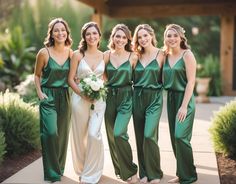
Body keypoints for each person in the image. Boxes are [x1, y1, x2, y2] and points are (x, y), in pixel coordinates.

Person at [34, 17, 73, 182]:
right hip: (48, 96)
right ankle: (51, 173)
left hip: (65, 96)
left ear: (67, 33)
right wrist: (39, 93)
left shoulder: (71, 53)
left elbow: (74, 76)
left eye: (63, 30)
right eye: (56, 30)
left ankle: (59, 169)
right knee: (50, 133)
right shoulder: (44, 52)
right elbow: (36, 75)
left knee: (62, 135)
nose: (60, 33)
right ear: (51, 33)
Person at [68, 22, 105, 184]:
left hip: (99, 100)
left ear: (99, 36)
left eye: (94, 34)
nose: (91, 37)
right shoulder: (77, 55)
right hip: (79, 99)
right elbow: (70, 79)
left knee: (93, 134)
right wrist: (82, 94)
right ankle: (82, 169)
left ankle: (93, 171)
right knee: (79, 135)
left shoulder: (105, 56)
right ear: (84, 37)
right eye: (88, 34)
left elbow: (107, 77)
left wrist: (100, 88)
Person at [162, 24, 198, 184]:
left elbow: (191, 82)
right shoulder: (165, 56)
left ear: (181, 38)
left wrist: (184, 106)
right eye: (169, 35)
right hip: (171, 99)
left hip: (185, 100)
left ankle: (189, 175)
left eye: (175, 35)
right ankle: (182, 173)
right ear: (165, 38)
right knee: (173, 138)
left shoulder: (187, 55)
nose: (172, 38)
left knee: (180, 136)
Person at [103, 24, 138, 184]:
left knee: (119, 133)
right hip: (109, 97)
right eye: (118, 36)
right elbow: (102, 77)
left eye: (124, 37)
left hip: (126, 97)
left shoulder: (133, 56)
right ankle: (119, 170)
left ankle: (130, 169)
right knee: (111, 136)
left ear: (128, 39)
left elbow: (139, 78)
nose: (121, 40)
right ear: (113, 37)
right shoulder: (106, 55)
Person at [132, 24, 164, 184]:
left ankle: (155, 173)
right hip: (136, 97)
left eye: (145, 35)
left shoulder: (162, 54)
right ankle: (144, 172)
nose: (143, 39)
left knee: (149, 135)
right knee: (139, 137)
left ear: (151, 35)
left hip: (154, 98)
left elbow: (172, 73)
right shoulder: (135, 55)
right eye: (139, 36)